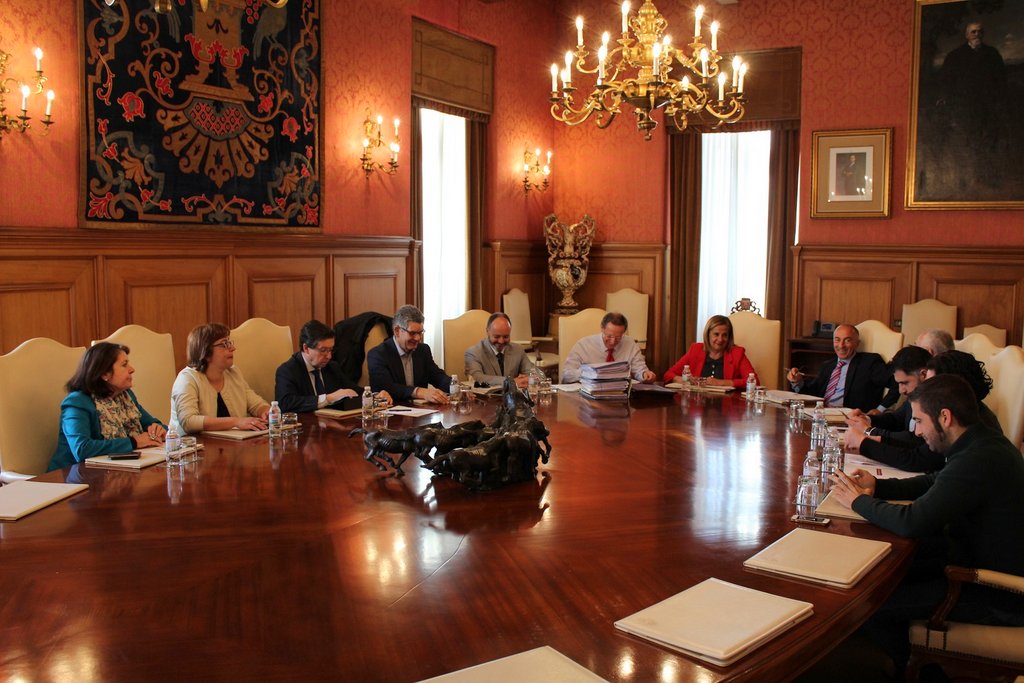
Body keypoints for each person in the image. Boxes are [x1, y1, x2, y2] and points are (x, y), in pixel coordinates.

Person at [829, 375, 1024, 678]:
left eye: (919, 421)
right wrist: (878, 487)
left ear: (945, 417)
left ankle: (919, 673)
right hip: (965, 560)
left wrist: (858, 502)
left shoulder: (979, 459)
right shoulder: (982, 442)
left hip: (993, 591)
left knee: (867, 604)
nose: (916, 431)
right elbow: (936, 481)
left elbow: (912, 522)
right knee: (876, 576)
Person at [844, 349, 1001, 472]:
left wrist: (866, 441)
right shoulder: (960, 411)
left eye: (932, 383)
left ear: (951, 385)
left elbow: (919, 458)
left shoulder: (968, 424)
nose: (926, 388)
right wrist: (868, 423)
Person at [48, 342, 167, 471]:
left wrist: (158, 430)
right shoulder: (76, 402)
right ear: (104, 374)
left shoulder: (125, 396)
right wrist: (134, 442)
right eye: (124, 365)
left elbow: (153, 424)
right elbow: (82, 449)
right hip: (71, 476)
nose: (132, 369)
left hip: (113, 472)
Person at [171, 323, 270, 434]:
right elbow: (189, 421)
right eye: (224, 344)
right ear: (205, 352)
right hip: (192, 444)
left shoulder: (234, 373)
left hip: (233, 443)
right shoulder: (187, 378)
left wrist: (266, 412)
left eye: (230, 343)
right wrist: (236, 422)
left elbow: (256, 405)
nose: (232, 348)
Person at [275, 319, 391, 413]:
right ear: (306, 348)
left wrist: (375, 396)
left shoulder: (332, 367)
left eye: (331, 350)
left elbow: (354, 391)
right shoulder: (288, 370)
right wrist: (328, 398)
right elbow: (285, 403)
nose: (329, 356)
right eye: (323, 350)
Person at [786, 323, 896, 412]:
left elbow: (897, 384)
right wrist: (798, 382)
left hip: (850, 419)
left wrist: (880, 410)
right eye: (837, 340)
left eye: (847, 340)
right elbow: (812, 394)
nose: (841, 345)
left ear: (857, 343)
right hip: (820, 416)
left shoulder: (869, 362)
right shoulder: (828, 365)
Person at [367, 304, 451, 403]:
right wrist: (418, 392)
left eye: (420, 333)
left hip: (421, 409)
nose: (418, 338)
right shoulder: (377, 355)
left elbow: (438, 377)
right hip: (393, 409)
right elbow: (387, 387)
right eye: (412, 333)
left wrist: (458, 388)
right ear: (397, 331)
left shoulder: (423, 350)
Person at [561, 311, 657, 384]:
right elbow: (567, 374)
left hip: (619, 394)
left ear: (624, 333)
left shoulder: (630, 344)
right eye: (609, 336)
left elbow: (639, 369)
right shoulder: (583, 345)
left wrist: (645, 374)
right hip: (588, 396)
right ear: (602, 328)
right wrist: (591, 373)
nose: (613, 341)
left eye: (618, 337)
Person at [663, 315, 758, 388]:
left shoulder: (737, 353)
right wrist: (684, 380)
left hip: (727, 404)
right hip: (697, 402)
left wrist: (722, 382)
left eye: (725, 335)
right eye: (716, 334)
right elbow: (668, 375)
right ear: (708, 334)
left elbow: (755, 381)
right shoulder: (696, 349)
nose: (720, 339)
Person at [464, 312, 535, 389]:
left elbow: (536, 374)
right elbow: (476, 378)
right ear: (487, 332)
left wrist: (528, 379)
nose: (501, 341)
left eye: (506, 336)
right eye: (496, 337)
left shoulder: (518, 350)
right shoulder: (473, 353)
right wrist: (511, 381)